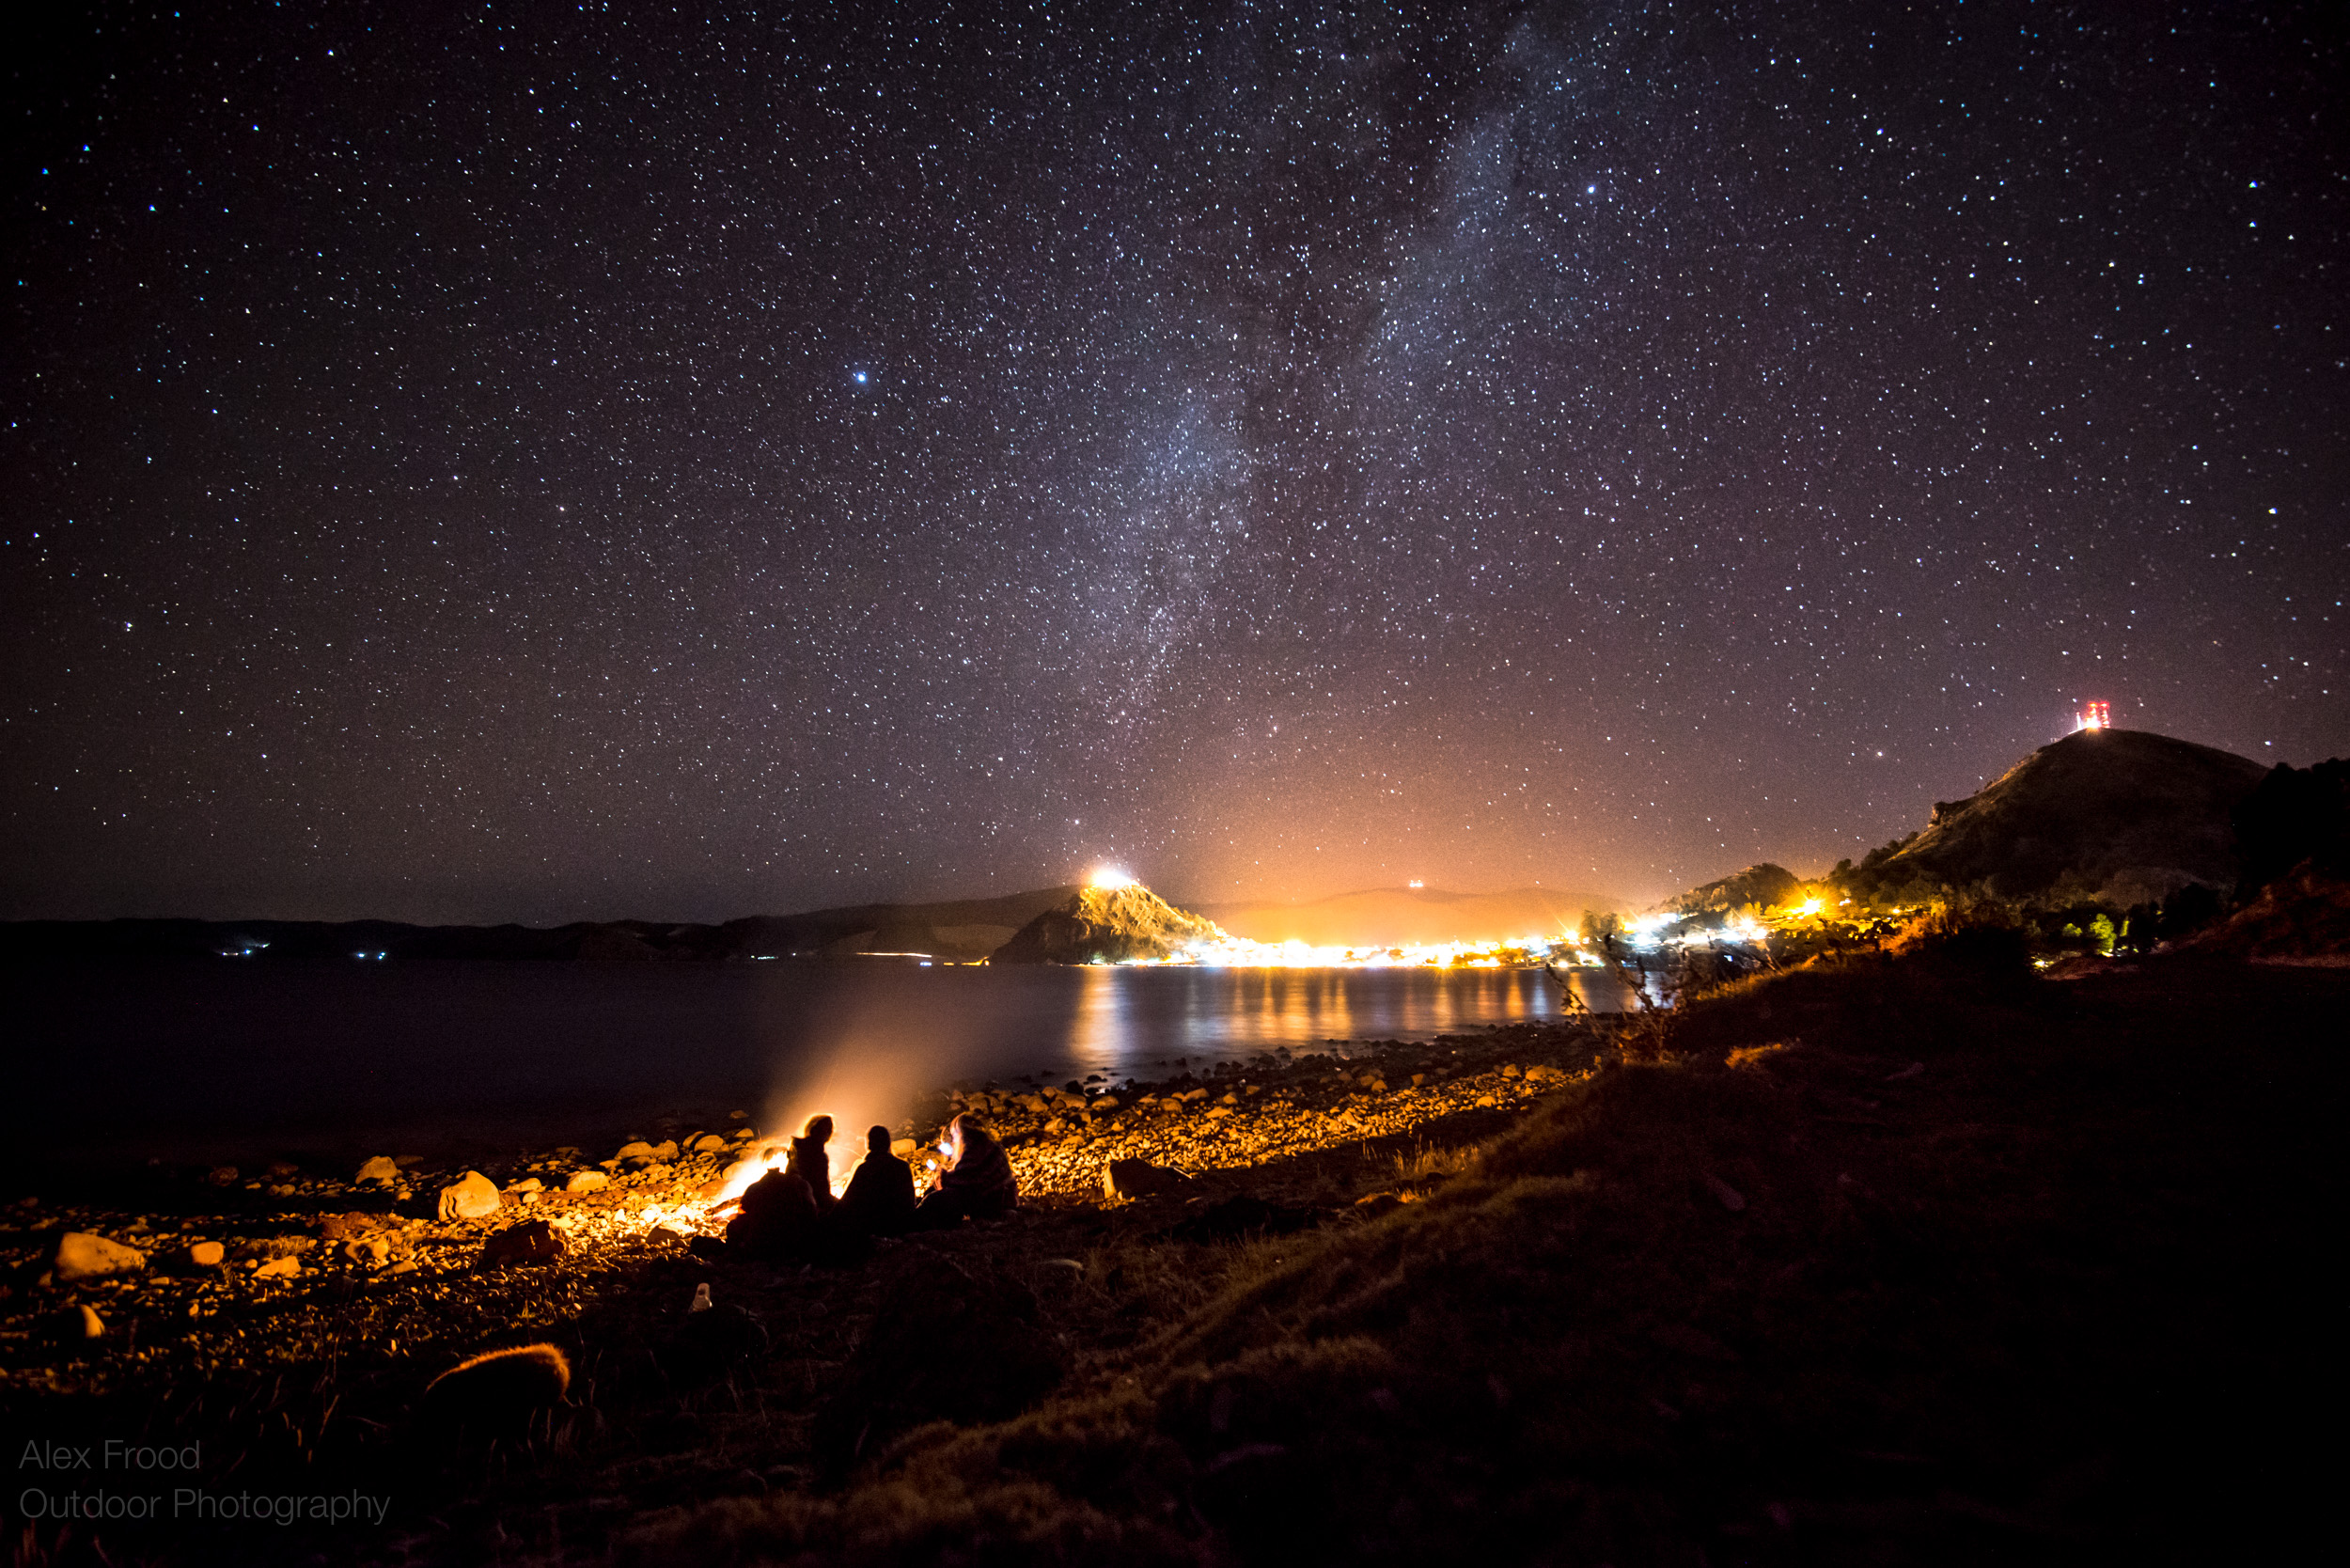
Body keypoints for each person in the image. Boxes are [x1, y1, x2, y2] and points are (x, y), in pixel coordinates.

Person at [911, 1112, 1018, 1229]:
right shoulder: (989, 1145)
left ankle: (912, 1222)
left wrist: (942, 1176)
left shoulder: (976, 1148)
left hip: (993, 1204)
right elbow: (968, 1174)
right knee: (935, 1194)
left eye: (955, 1135)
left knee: (935, 1198)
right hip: (1000, 1199)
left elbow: (962, 1180)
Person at [838, 1124, 917, 1236]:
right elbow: (910, 1202)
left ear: (868, 1144)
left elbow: (847, 1201)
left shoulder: (865, 1168)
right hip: (900, 1227)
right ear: (888, 1142)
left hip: (872, 1229)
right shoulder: (903, 1166)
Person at [725, 1165, 819, 1258]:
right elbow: (811, 1210)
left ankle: (734, 1252)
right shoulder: (800, 1185)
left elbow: (744, 1209)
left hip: (759, 1244)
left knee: (733, 1225)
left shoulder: (755, 1187)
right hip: (793, 1243)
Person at [785, 1115, 837, 1212]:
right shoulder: (816, 1155)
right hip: (809, 1206)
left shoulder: (797, 1148)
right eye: (827, 1129)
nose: (830, 1132)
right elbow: (821, 1191)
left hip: (795, 1202)